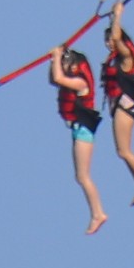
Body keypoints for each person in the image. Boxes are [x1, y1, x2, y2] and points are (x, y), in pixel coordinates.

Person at [101, 0, 134, 207]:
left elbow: (116, 37)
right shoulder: (115, 59)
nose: (108, 44)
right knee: (122, 152)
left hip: (125, 107)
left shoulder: (126, 57)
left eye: (109, 41)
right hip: (119, 107)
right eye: (105, 41)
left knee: (124, 151)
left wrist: (118, 15)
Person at [49, 46, 107, 235]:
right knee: (80, 177)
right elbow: (54, 80)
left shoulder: (81, 82)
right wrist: (54, 61)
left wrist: (57, 56)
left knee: (83, 176)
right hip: (77, 129)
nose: (63, 67)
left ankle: (98, 214)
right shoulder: (69, 78)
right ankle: (97, 213)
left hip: (83, 130)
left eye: (66, 64)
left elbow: (58, 78)